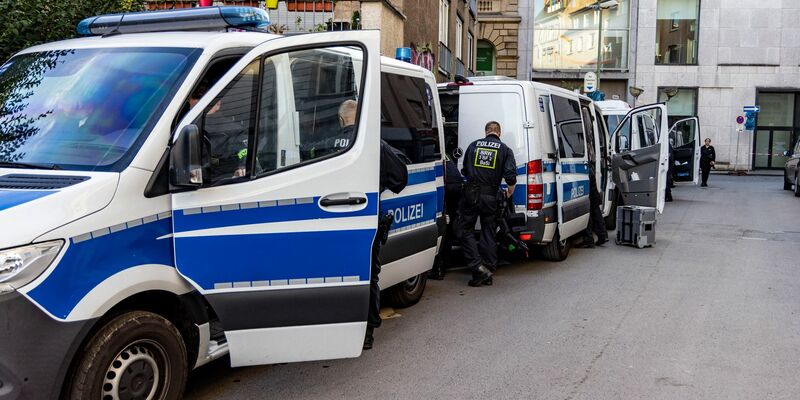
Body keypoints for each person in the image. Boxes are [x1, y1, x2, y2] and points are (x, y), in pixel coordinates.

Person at [457, 121, 516, 287]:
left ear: (486, 131)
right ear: (499, 132)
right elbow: (510, 176)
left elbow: (465, 171)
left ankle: (478, 268)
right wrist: (509, 191)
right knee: (488, 232)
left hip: (471, 195)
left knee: (464, 230)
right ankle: (488, 269)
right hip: (491, 196)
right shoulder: (505, 149)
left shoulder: (473, 146)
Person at [364, 138, 408, 350]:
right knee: (370, 275)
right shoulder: (376, 144)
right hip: (368, 216)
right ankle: (368, 332)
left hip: (330, 219)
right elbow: (399, 179)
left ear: (342, 120)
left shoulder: (327, 137)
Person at [429, 154, 463, 280]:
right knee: (447, 226)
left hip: (447, 186)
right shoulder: (444, 152)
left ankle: (438, 267)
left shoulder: (434, 149)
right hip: (455, 185)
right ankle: (445, 263)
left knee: (442, 226)